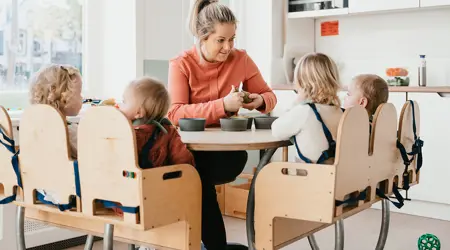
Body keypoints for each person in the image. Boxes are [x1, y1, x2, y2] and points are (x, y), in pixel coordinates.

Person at [167, 0, 277, 248]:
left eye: (232, 39)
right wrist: (222, 106)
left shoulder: (242, 59)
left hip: (228, 155)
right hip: (189, 153)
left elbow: (270, 97)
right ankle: (214, 245)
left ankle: (212, 246)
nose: (228, 47)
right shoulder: (181, 64)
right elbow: (175, 112)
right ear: (202, 36)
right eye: (220, 40)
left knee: (196, 179)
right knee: (196, 178)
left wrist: (258, 99)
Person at [109, 76, 195, 217]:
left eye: (124, 102)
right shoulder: (168, 129)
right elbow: (184, 161)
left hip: (123, 202)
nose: (120, 105)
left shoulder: (125, 133)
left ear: (138, 112)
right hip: (155, 199)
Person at [271, 53, 343, 164]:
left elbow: (276, 130)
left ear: (301, 82)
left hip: (309, 177)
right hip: (337, 177)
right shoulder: (341, 112)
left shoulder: (304, 111)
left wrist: (297, 102)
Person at [29, 64, 83, 205]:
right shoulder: (69, 131)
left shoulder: (35, 128)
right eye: (79, 93)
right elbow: (91, 154)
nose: (82, 98)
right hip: (65, 192)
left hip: (40, 189)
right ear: (64, 97)